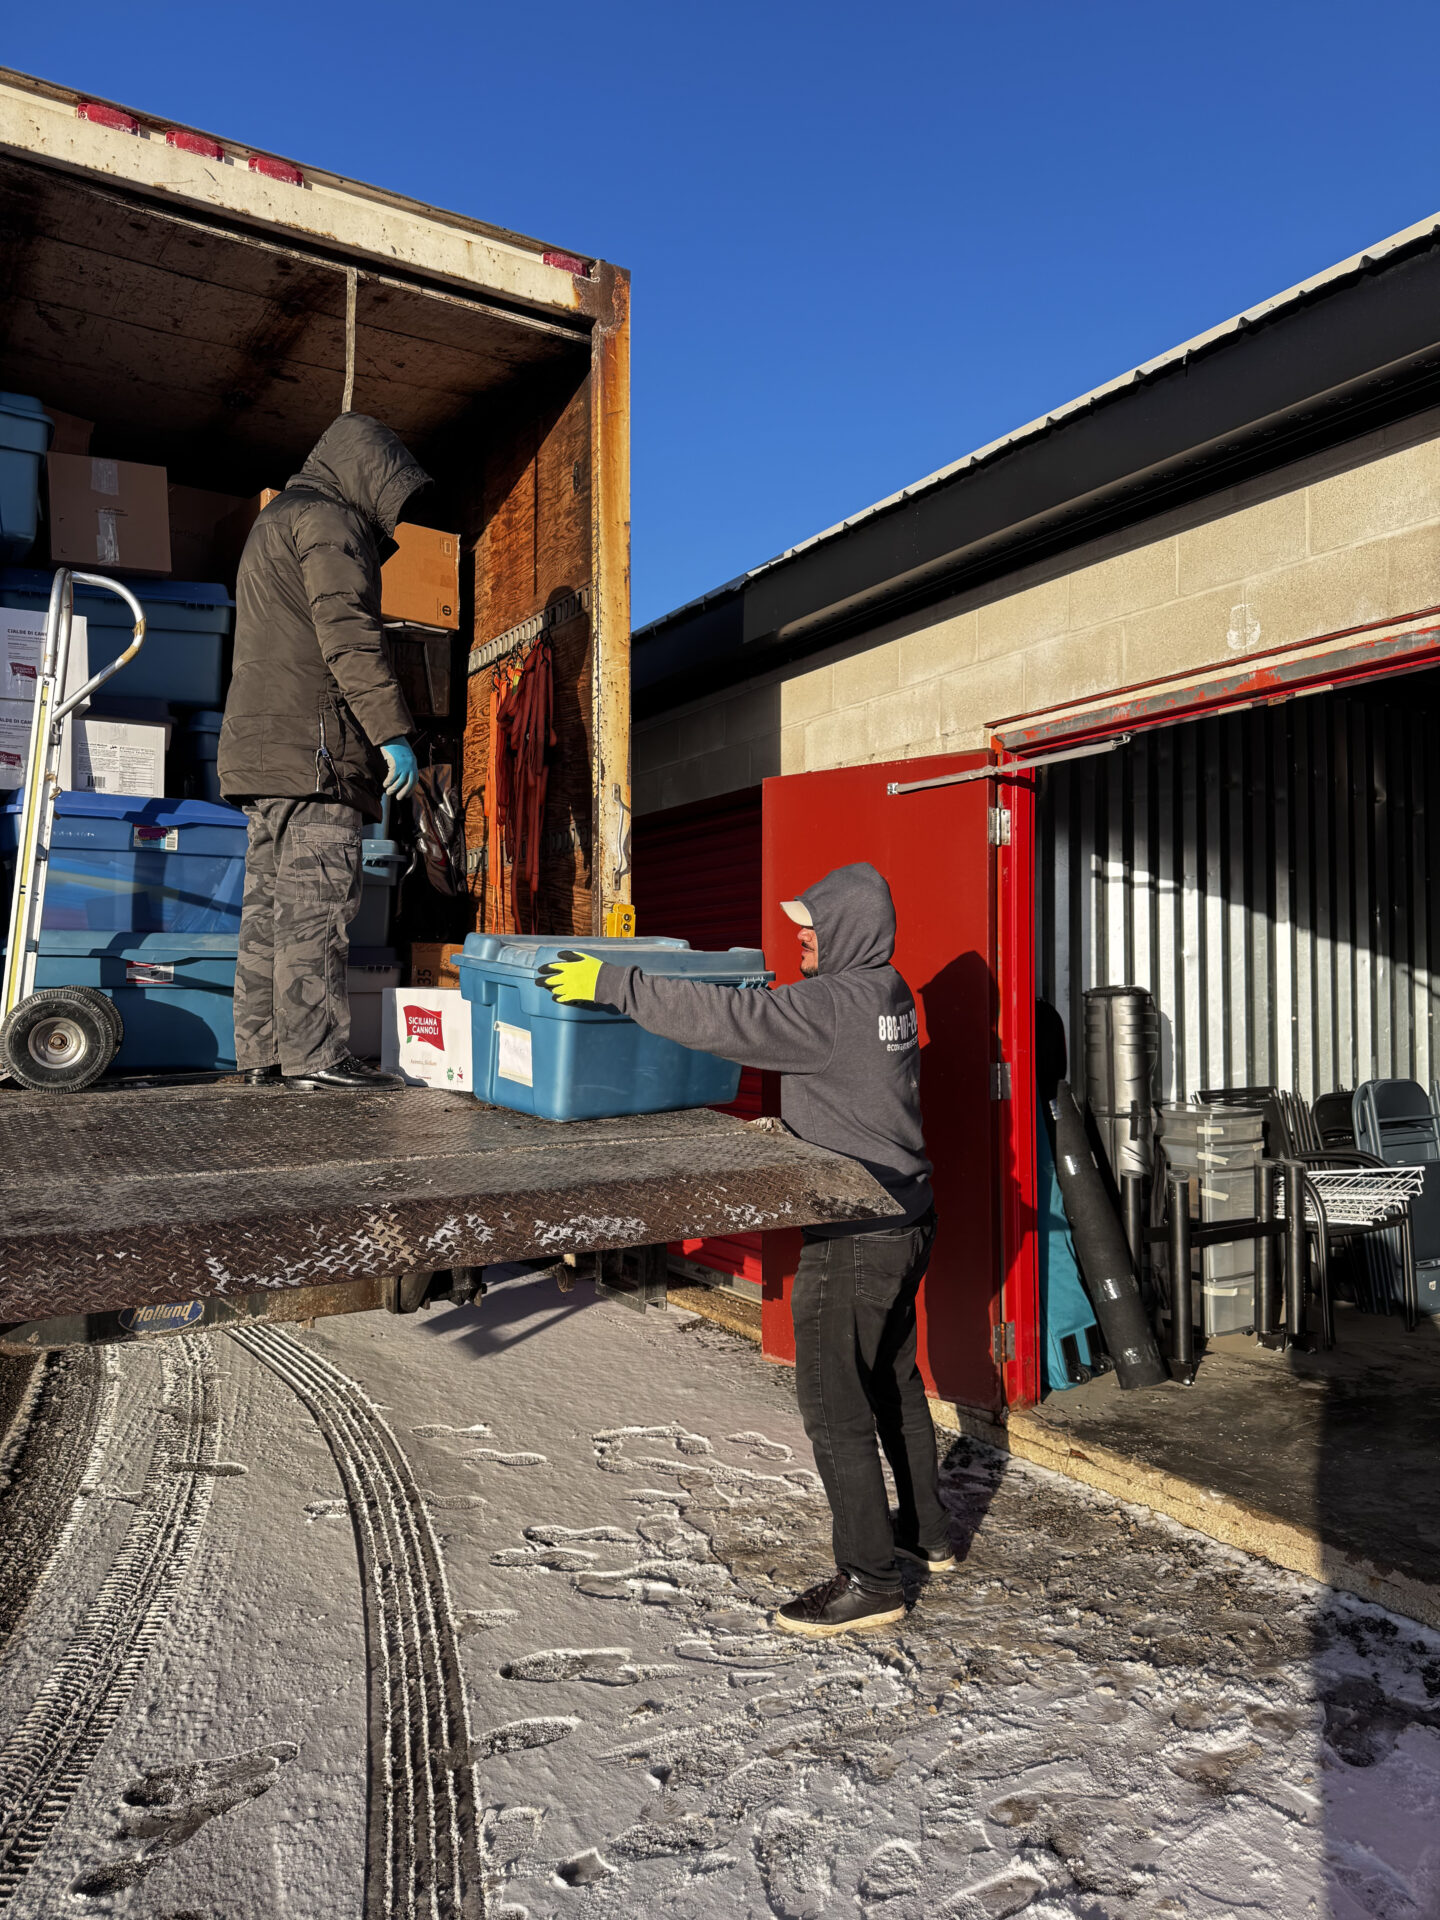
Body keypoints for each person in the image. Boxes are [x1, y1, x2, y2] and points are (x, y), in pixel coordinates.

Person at [538, 862, 952, 1637]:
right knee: (893, 1382)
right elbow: (852, 1084)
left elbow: (730, 1024)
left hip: (857, 1230)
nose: (801, 934)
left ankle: (871, 1581)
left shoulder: (829, 1002)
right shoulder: (887, 989)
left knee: (834, 1407)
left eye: (814, 924)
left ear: (848, 931)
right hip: (910, 1214)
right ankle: (926, 1537)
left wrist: (615, 983)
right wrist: (796, 1132)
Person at [218, 414, 428, 1090]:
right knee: (314, 909)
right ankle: (317, 1059)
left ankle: (261, 1057)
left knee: (266, 915)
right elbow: (349, 637)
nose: (390, 521)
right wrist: (391, 732)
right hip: (315, 754)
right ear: (368, 476)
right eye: (390, 501)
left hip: (261, 754)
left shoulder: (275, 521)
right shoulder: (331, 523)